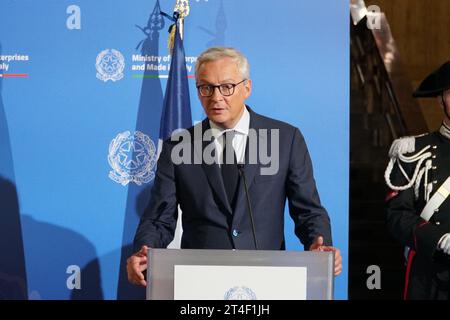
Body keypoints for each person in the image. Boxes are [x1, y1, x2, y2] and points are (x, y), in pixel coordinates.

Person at [127, 47, 342, 287]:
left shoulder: (285, 139)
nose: (216, 97)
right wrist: (144, 251)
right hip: (201, 282)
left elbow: (308, 211)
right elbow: (159, 218)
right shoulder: (178, 146)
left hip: (266, 279)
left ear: (247, 88)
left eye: (227, 87)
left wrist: (319, 244)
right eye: (206, 87)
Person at [385, 61, 450, 300]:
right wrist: (438, 239)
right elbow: (397, 216)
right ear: (440, 100)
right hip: (428, 276)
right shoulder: (412, 151)